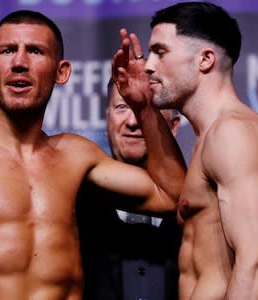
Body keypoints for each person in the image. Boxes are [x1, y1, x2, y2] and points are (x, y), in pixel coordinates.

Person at [0, 10, 186, 300]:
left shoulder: (75, 156)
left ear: (61, 72)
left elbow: (170, 194)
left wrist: (145, 107)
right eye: (7, 50)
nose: (19, 62)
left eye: (36, 51)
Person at [111, 2, 258, 299]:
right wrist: (143, 105)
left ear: (205, 59)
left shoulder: (232, 133)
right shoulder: (210, 138)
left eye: (161, 52)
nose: (149, 65)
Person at [76, 80, 184, 300]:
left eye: (147, 107)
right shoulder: (72, 204)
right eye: (122, 107)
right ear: (107, 121)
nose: (133, 121)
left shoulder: (198, 207)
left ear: (173, 126)